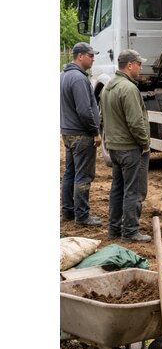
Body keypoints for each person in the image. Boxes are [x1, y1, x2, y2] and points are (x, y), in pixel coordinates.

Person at [100, 49, 152, 243]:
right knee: (134, 191)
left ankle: (114, 229)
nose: (141, 67)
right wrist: (145, 144)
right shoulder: (129, 89)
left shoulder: (108, 87)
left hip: (114, 147)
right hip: (130, 148)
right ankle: (130, 231)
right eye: (139, 64)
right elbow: (135, 122)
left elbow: (102, 117)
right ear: (129, 65)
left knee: (117, 188)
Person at [60, 42, 102, 227]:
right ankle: (82, 217)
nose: (93, 59)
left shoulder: (64, 76)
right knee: (83, 176)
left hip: (68, 132)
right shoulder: (78, 79)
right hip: (81, 134)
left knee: (70, 173)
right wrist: (95, 131)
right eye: (90, 55)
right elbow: (85, 110)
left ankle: (68, 212)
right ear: (80, 56)